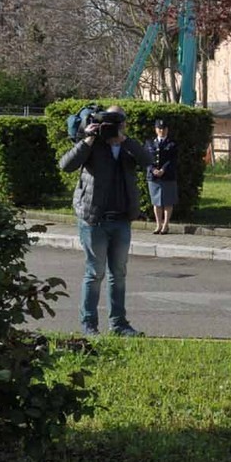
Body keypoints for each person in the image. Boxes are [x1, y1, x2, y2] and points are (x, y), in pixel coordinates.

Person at [57, 104, 151, 337]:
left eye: (118, 122)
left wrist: (124, 140)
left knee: (118, 273)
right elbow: (66, 165)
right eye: (108, 122)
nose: (112, 127)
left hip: (121, 220)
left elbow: (148, 159)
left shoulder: (128, 146)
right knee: (94, 273)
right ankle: (89, 326)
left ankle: (119, 324)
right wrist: (88, 139)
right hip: (94, 219)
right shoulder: (92, 144)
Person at [145, 118, 178, 235]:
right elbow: (146, 159)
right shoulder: (149, 143)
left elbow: (172, 160)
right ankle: (158, 224)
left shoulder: (172, 144)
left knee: (167, 202)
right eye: (159, 129)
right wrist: (153, 169)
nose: (162, 131)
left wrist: (163, 169)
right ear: (155, 130)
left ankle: (165, 225)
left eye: (164, 129)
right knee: (156, 202)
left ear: (167, 130)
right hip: (153, 177)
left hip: (167, 176)